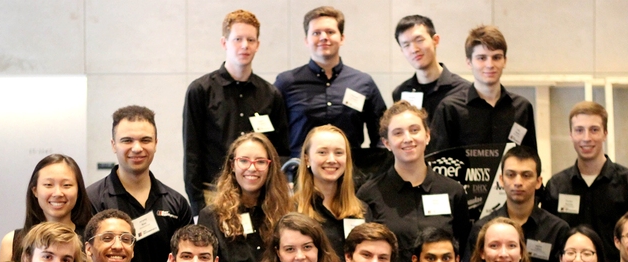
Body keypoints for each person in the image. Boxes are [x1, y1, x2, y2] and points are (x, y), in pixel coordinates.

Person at [183, 9, 290, 216]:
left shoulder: (271, 94)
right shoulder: (201, 91)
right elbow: (192, 153)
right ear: (224, 43)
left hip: (261, 196)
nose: (244, 45)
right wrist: (197, 206)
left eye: (250, 39)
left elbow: (281, 150)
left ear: (257, 45)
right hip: (213, 194)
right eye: (238, 39)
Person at [358, 101, 470, 262]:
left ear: (427, 136)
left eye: (414, 130)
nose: (408, 138)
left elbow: (463, 248)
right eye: (398, 133)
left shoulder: (453, 191)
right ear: (386, 143)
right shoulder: (369, 194)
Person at [88, 105, 192, 262]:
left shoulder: (176, 203)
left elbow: (189, 259)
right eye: (127, 140)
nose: (137, 148)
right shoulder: (91, 199)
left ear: (156, 143)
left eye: (145, 140)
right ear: (113, 145)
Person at [543, 101, 628, 262]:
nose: (586, 138)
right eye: (579, 130)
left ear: (605, 133)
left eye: (594, 130)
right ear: (571, 134)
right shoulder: (556, 186)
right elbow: (549, 241)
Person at [274, 6, 387, 157]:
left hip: (351, 174)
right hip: (299, 174)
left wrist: (374, 171)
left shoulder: (363, 82)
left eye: (330, 32)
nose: (323, 37)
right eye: (316, 33)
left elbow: (382, 133)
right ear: (306, 40)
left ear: (342, 38)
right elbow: (273, 135)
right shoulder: (286, 82)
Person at [198, 132, 292, 262]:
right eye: (244, 161)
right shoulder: (211, 216)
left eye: (261, 162)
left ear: (270, 167)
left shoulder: (285, 213)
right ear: (232, 165)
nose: (252, 168)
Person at [461, 146, 569, 262]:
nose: (518, 182)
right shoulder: (482, 228)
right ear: (501, 180)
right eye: (511, 175)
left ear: (538, 182)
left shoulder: (557, 230)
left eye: (526, 175)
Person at [430, 26, 536, 152]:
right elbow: (437, 162)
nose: (490, 65)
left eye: (496, 57)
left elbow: (530, 159)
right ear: (469, 62)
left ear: (505, 61)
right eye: (481, 58)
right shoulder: (450, 109)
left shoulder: (522, 108)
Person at [0, 154, 93, 262]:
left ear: (78, 191)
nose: (58, 193)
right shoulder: (12, 241)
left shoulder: (91, 242)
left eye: (67, 185)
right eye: (48, 185)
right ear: (35, 191)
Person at [294, 125, 370, 260]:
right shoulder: (291, 210)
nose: (331, 160)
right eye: (322, 152)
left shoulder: (362, 211)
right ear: (307, 159)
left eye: (339, 153)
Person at [392, 15, 468, 124]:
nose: (414, 49)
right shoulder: (401, 93)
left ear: (435, 40)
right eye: (406, 45)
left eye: (419, 40)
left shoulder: (463, 90)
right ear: (402, 51)